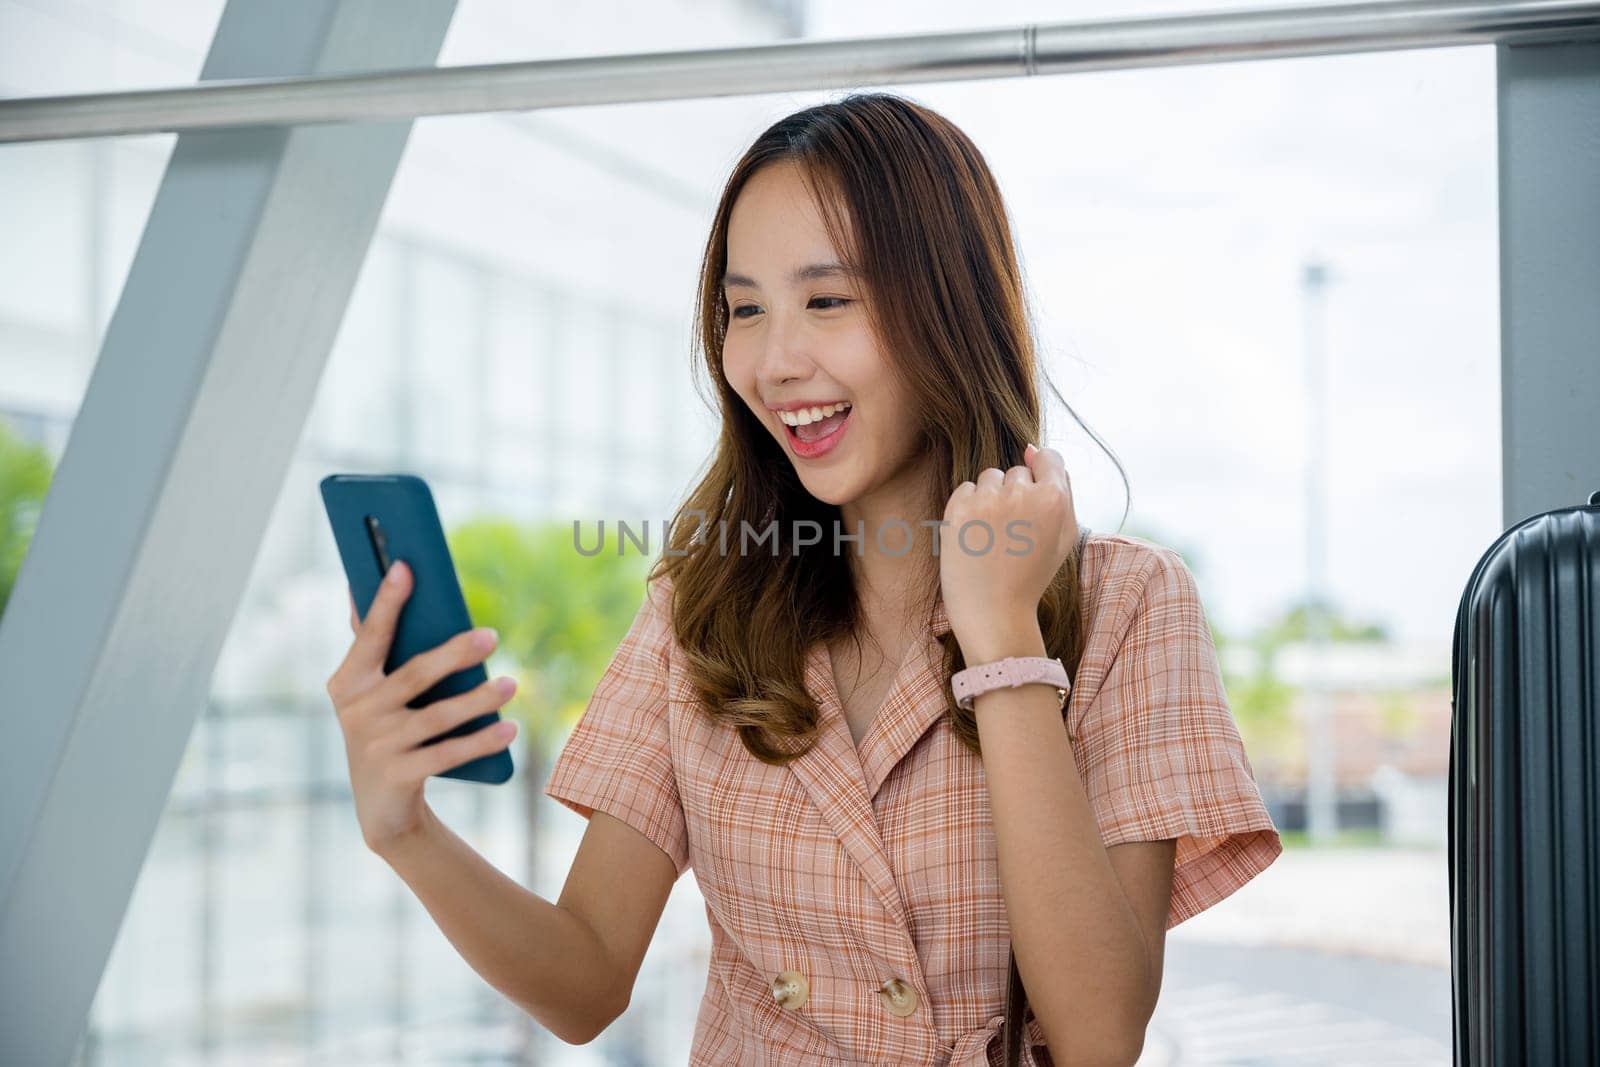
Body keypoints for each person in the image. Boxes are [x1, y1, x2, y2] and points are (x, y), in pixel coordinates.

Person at [327, 91, 1281, 1067]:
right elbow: (585, 978)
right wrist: (407, 831)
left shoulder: (1126, 604)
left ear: (947, 307)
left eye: (827, 300)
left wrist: (1000, 637)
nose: (775, 360)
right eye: (744, 309)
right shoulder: (699, 607)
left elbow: (1099, 1037)